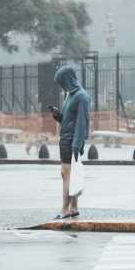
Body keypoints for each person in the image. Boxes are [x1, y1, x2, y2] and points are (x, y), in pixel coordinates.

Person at [50, 66, 90, 219]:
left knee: (66, 175)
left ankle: (64, 209)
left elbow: (82, 124)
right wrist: (58, 115)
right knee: (70, 175)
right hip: (66, 140)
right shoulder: (70, 95)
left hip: (72, 142)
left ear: (68, 79)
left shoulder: (81, 97)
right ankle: (74, 207)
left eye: (62, 81)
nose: (61, 85)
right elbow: (68, 119)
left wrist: (76, 145)